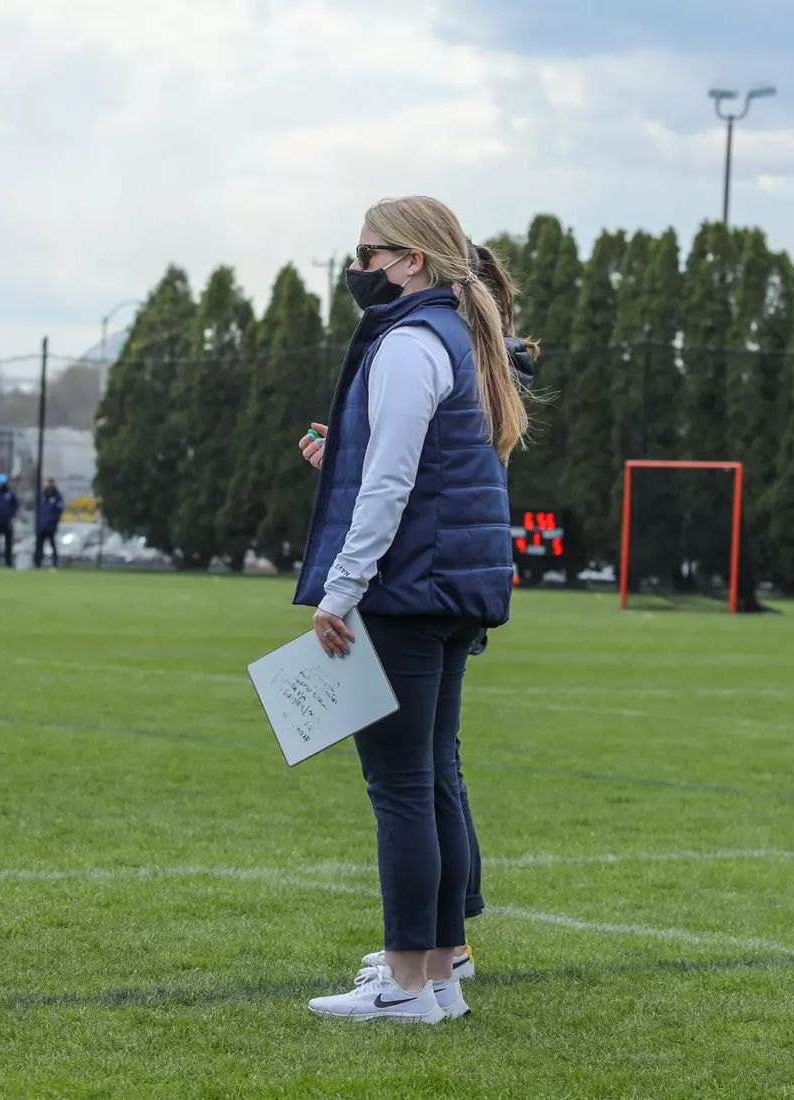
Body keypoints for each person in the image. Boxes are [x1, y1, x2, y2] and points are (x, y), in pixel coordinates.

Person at [292, 196, 526, 1024]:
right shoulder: (456, 335)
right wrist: (342, 458)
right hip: (452, 589)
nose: (356, 267)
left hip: (409, 590)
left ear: (412, 260)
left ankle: (406, 981)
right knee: (428, 779)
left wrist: (340, 592)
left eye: (367, 252)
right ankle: (438, 973)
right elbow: (413, 469)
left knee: (400, 785)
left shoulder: (408, 343)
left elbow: (392, 487)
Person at [35, 478, 63, 568]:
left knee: (52, 545)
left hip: (51, 526)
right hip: (42, 525)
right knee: (39, 545)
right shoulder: (42, 495)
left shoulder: (57, 496)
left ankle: (54, 563)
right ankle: (37, 563)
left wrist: (53, 521)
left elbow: (58, 510)